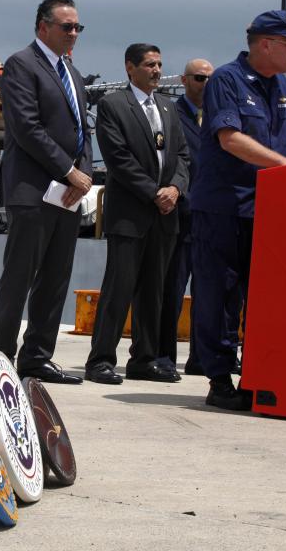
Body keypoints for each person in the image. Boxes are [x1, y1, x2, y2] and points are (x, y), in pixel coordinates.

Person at [191, 10, 286, 410]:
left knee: (265, 296)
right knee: (219, 293)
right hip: (225, 207)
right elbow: (230, 139)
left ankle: (259, 372)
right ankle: (220, 379)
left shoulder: (282, 87)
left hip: (269, 211)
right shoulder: (227, 79)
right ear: (265, 44)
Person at [0, 0, 93, 385]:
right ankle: (1, 355)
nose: (74, 33)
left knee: (55, 278)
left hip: (67, 195)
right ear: (42, 26)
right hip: (32, 192)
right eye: (67, 26)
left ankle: (37, 357)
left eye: (77, 27)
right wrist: (68, 171)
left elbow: (83, 133)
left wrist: (83, 175)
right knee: (20, 276)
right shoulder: (21, 65)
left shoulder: (74, 74)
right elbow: (26, 128)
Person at [84, 43, 190, 385]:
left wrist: (175, 188)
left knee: (153, 291)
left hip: (166, 215)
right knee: (119, 287)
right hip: (131, 214)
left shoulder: (168, 107)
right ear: (130, 67)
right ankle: (100, 360)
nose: (157, 70)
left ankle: (144, 359)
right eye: (149, 65)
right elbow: (118, 158)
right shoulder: (113, 105)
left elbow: (183, 156)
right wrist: (153, 192)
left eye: (159, 64)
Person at [162, 59, 212, 377]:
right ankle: (165, 356)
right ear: (184, 80)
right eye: (198, 77)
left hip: (209, 216)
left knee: (208, 294)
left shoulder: (219, 116)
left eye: (210, 78)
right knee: (173, 290)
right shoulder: (171, 114)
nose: (205, 83)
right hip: (181, 215)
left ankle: (200, 357)